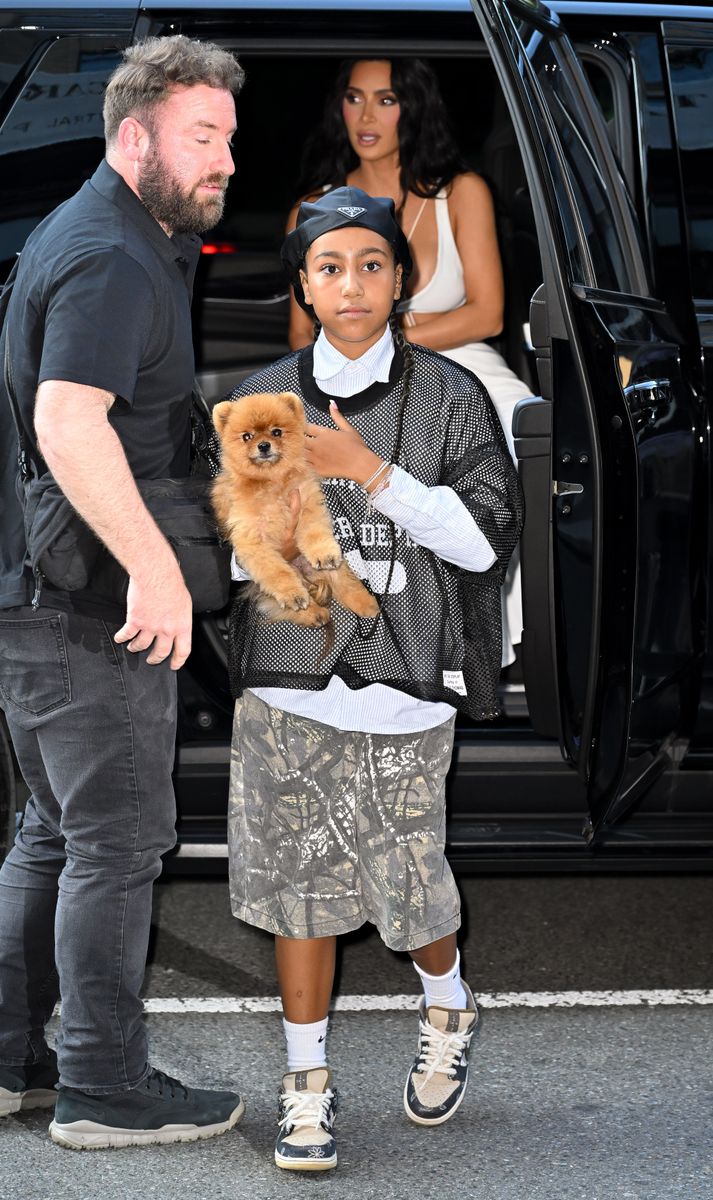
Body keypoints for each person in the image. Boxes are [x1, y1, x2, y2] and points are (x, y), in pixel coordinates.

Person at [223, 186, 523, 1171]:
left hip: (401, 678)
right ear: (302, 286)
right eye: (327, 266)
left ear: (399, 281)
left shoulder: (448, 397)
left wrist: (369, 472)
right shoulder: (262, 392)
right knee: (297, 886)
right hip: (287, 676)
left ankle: (446, 1002)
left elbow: (483, 544)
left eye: (369, 264)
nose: (348, 283)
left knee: (407, 892)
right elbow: (230, 547)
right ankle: (304, 1088)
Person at [0, 36, 247, 1150]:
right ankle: (103, 1086)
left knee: (53, 831)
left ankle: (10, 1058)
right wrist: (158, 571)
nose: (225, 161)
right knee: (116, 840)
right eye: (204, 138)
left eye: (229, 141)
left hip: (41, 599)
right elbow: (66, 418)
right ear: (133, 136)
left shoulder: (113, 234)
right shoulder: (108, 253)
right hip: (86, 607)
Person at [287, 57, 531, 669]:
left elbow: (488, 314)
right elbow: (300, 334)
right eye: (354, 98)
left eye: (387, 100)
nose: (367, 116)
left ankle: (489, 642)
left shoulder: (460, 192)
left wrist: (393, 332)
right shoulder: (312, 208)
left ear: (413, 108)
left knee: (513, 427)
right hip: (344, 369)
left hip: (463, 360)